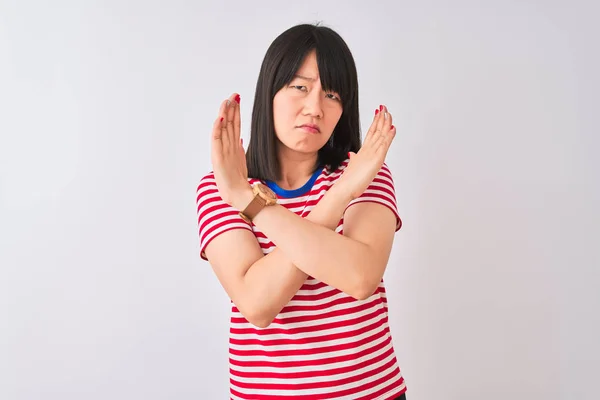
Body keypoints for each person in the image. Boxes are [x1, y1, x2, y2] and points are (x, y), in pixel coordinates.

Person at [196, 23, 407, 400]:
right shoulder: (221, 185)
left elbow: (360, 278)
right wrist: (339, 197)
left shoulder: (365, 174)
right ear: (270, 90)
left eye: (332, 94)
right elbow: (258, 304)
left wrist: (251, 204)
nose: (315, 108)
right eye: (300, 86)